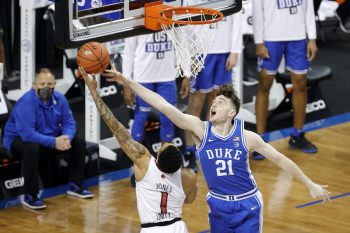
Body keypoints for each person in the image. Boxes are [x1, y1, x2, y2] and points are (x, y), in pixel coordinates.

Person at [102, 65, 330, 233]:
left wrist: (309, 184)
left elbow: (281, 160)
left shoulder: (246, 136)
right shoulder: (200, 130)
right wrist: (128, 82)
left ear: (232, 113)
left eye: (221, 103)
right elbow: (162, 104)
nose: (214, 104)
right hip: (217, 203)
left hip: (247, 203)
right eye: (214, 101)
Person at [80, 67, 197, 233]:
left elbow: (115, 127)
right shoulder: (189, 176)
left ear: (158, 158)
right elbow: (190, 200)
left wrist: (94, 93)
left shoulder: (145, 164)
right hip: (177, 227)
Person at [3, 68, 93, 210]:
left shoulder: (60, 99)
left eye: (50, 84)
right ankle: (30, 196)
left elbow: (69, 123)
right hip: (18, 139)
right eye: (42, 84)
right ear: (34, 85)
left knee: (78, 141)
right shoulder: (26, 102)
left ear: (55, 84)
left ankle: (75, 185)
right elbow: (27, 134)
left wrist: (66, 137)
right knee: (32, 147)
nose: (46, 87)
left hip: (47, 136)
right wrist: (54, 142)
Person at [252, 0, 318, 159]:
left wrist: (312, 38)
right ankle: (260, 140)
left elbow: (308, 7)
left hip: (298, 38)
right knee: (265, 85)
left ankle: (298, 135)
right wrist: (259, 42)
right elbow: (257, 12)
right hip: (270, 38)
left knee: (301, 83)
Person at [122, 31, 191, 184]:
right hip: (142, 77)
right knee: (140, 119)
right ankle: (136, 167)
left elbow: (183, 45)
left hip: (166, 76)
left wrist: (186, 73)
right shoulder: (137, 16)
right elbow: (128, 53)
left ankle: (166, 167)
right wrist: (127, 84)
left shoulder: (171, 14)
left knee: (168, 119)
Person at [182, 0, 243, 169]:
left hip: (224, 51)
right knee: (196, 102)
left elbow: (236, 16)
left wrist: (235, 50)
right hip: (201, 51)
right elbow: (186, 25)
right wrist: (190, 58)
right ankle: (189, 150)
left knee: (217, 103)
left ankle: (212, 146)